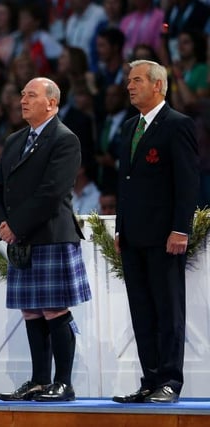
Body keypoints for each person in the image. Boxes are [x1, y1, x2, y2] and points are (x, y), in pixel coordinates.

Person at [0, 77, 91, 402]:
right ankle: (38, 380)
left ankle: (63, 383)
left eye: (31, 95)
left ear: (52, 102)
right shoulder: (15, 139)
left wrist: (15, 226)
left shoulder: (65, 139)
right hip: (21, 237)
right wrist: (2, 223)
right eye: (22, 95)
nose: (23, 100)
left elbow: (52, 192)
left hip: (51, 236)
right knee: (31, 311)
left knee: (53, 309)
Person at [113, 60, 199, 404]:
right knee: (142, 311)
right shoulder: (129, 126)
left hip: (165, 236)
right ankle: (149, 380)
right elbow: (125, 183)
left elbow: (188, 182)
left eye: (136, 81)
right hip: (133, 236)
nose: (129, 86)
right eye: (129, 81)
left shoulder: (177, 125)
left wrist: (181, 228)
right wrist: (120, 228)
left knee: (168, 310)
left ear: (158, 86)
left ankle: (170, 381)